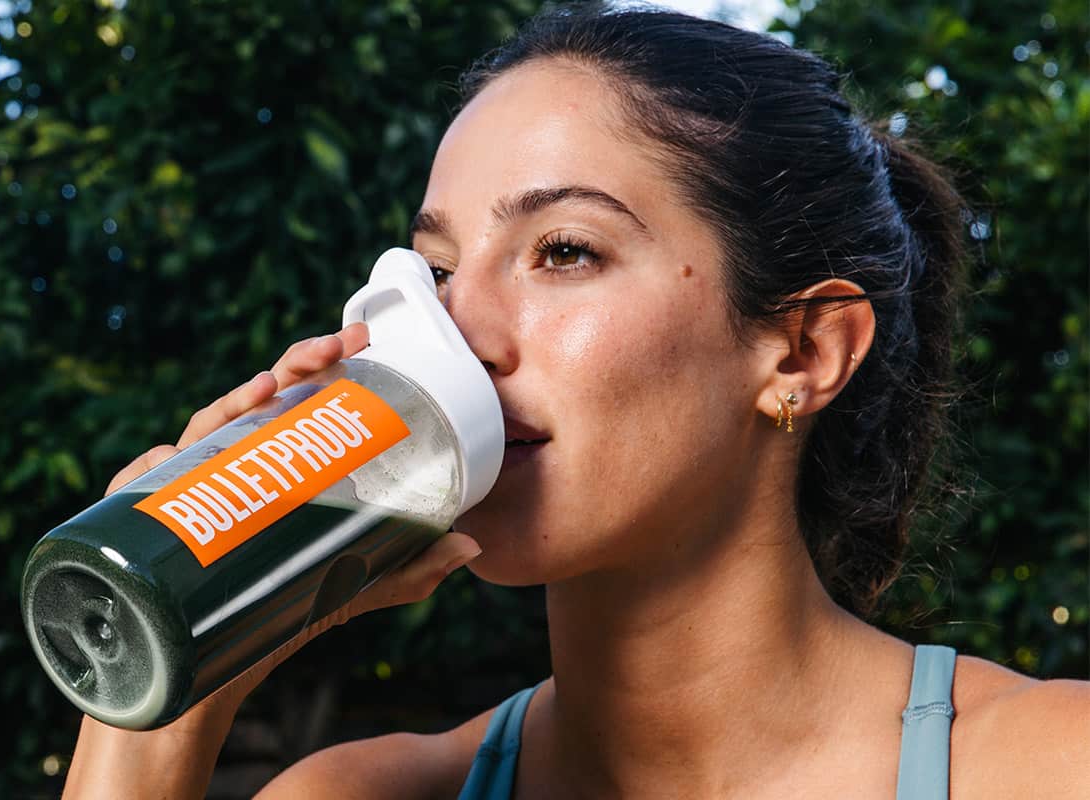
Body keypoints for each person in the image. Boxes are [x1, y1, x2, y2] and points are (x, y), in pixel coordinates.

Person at [61, 5, 1088, 798]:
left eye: (563, 251)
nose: (462, 334)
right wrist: (160, 676)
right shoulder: (361, 791)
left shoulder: (1047, 764)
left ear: (804, 351)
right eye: (438, 271)